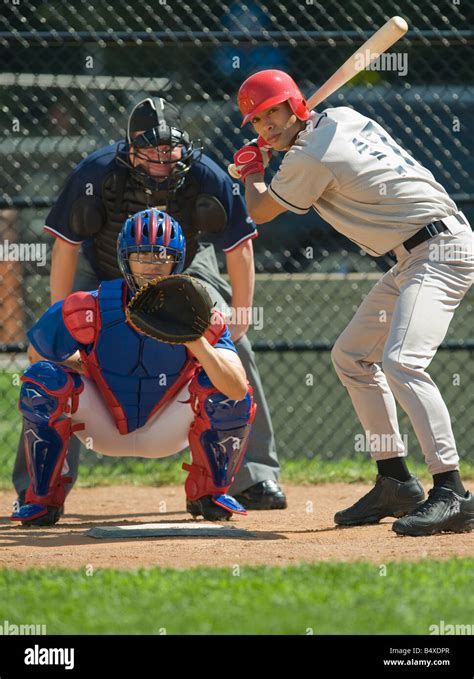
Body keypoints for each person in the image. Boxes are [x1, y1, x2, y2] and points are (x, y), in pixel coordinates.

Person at [13, 96, 287, 519]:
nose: (162, 156)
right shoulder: (97, 171)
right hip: (102, 264)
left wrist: (242, 316)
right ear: (130, 144)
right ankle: (36, 488)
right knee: (48, 374)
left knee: (232, 351)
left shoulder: (204, 174)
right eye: (151, 146)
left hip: (185, 266)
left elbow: (238, 245)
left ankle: (254, 474)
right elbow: (67, 246)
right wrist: (63, 322)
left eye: (170, 146)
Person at [232, 69, 474, 537]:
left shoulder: (311, 156)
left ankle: (452, 492)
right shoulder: (342, 116)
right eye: (258, 123)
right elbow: (306, 156)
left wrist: (251, 169)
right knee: (351, 356)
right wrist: (277, 150)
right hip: (412, 255)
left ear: (296, 105)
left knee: (402, 362)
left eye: (273, 114)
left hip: (438, 252)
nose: (266, 128)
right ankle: (395, 481)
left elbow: (258, 210)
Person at [11, 209, 256, 526]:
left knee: (221, 388)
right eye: (142, 255)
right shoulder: (89, 307)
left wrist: (195, 340)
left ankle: (208, 492)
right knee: (42, 381)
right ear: (125, 258)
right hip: (102, 425)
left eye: (162, 256)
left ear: (177, 260)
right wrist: (86, 365)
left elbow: (237, 389)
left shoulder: (201, 316)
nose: (153, 266)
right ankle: (44, 500)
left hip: (167, 429)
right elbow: (35, 355)